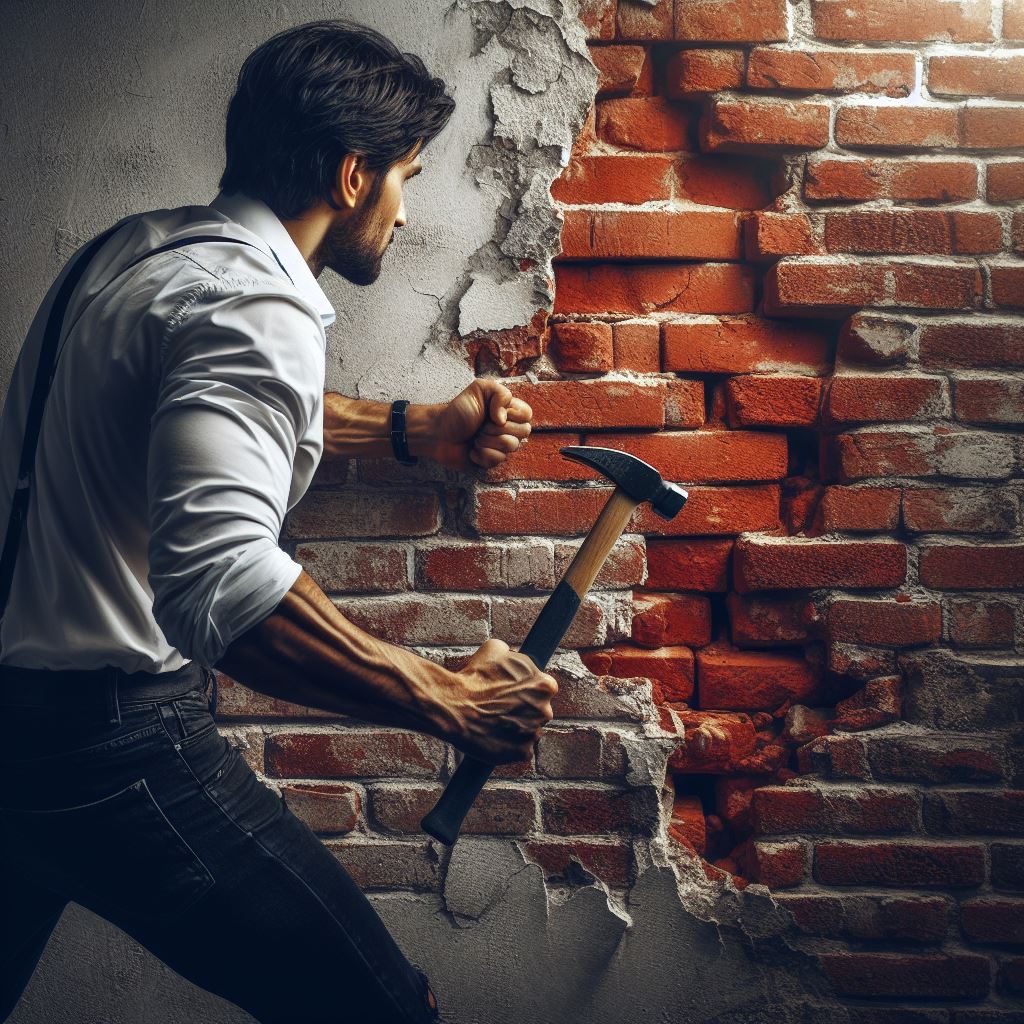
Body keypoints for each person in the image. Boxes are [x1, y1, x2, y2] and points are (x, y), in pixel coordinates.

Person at [0, 18, 557, 1024]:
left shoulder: (136, 254)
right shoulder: (257, 304)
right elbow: (221, 581)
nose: (402, 208)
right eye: (406, 176)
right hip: (115, 748)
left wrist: (412, 429)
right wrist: (440, 694)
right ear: (353, 175)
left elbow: (187, 425)